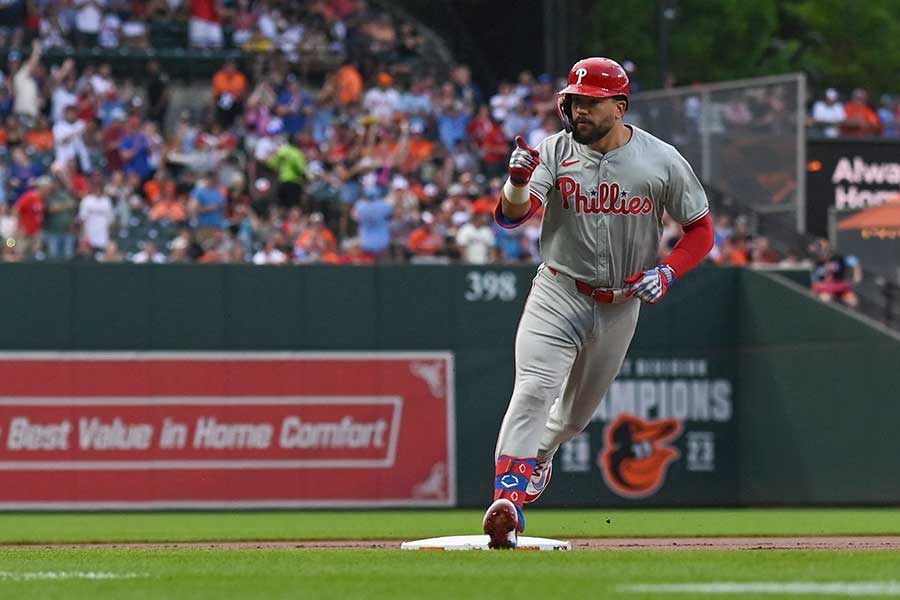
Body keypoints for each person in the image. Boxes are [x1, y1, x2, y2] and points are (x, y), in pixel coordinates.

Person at [482, 58, 714, 549]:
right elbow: (511, 218)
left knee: (573, 418)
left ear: (620, 106)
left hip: (619, 302)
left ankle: (539, 457)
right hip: (558, 290)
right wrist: (518, 182)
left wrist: (668, 270)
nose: (578, 109)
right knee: (534, 388)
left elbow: (701, 229)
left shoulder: (661, 159)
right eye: (574, 100)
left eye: (590, 102)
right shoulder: (553, 150)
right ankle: (509, 499)